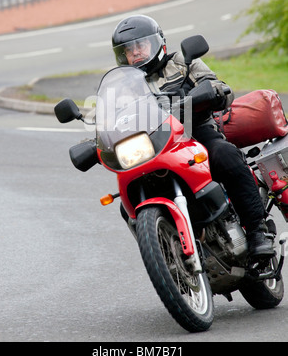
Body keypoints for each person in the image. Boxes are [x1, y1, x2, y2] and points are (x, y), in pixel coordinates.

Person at [112, 14, 274, 259]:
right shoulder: (123, 87)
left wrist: (213, 92)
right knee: (127, 203)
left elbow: (218, 87)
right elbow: (111, 119)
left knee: (226, 155)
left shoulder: (181, 63)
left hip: (195, 133)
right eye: (128, 50)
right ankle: (166, 259)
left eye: (140, 45)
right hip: (153, 146)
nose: (135, 53)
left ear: (157, 43)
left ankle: (256, 232)